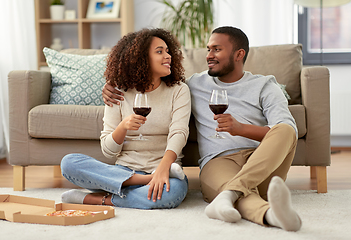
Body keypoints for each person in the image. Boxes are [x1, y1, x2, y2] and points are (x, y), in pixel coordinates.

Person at [102, 26, 302, 231]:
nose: (209, 56)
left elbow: (284, 129)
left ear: (239, 54)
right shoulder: (194, 84)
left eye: (216, 49)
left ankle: (229, 194)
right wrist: (109, 84)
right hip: (219, 161)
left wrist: (241, 129)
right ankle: (271, 215)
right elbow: (154, 84)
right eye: (208, 49)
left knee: (287, 129)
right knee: (241, 192)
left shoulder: (266, 85)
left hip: (261, 161)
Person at [60, 28, 191, 209]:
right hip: (124, 170)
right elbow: (108, 151)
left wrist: (162, 168)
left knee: (173, 193)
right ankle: (145, 181)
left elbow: (179, 132)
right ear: (140, 59)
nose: (168, 56)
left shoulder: (179, 90)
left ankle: (97, 198)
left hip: (163, 167)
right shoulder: (117, 92)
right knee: (69, 163)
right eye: (159, 51)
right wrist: (123, 127)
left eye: (168, 51)